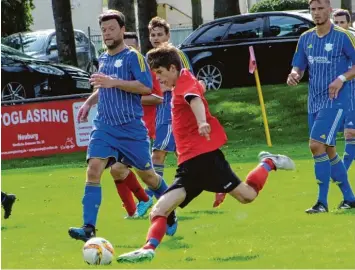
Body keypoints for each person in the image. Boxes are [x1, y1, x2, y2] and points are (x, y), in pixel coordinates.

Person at [116, 44, 296, 263]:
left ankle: (269, 162)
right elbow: (198, 90)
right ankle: (147, 250)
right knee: (159, 209)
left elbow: (195, 100)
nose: (158, 79)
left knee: (247, 196)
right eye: (155, 75)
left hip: (205, 159)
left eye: (160, 73)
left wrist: (202, 122)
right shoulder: (182, 81)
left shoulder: (183, 82)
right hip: (189, 164)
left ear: (173, 68)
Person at [68, 10, 170, 242]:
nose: (107, 34)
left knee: (149, 177)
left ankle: (168, 210)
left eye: (111, 29)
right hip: (105, 126)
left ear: (123, 30)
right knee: (94, 169)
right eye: (104, 30)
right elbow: (103, 87)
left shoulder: (133, 57)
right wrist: (88, 102)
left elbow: (146, 87)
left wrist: (114, 82)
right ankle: (88, 228)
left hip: (131, 129)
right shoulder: (103, 58)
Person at [147, 16, 227, 209]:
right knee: (187, 158)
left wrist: (163, 89)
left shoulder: (177, 55)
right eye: (152, 34)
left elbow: (187, 82)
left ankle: (151, 197)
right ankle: (221, 182)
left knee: (158, 154)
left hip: (174, 111)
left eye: (160, 34)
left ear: (168, 35)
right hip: (164, 112)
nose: (156, 38)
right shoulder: (153, 58)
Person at [287, 0, 355, 214]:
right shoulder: (305, 38)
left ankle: (321, 202)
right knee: (329, 150)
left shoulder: (343, 36)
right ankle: (350, 199)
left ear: (330, 10)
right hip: (314, 101)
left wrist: (342, 78)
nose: (316, 13)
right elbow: (299, 64)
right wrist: (295, 74)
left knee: (316, 145)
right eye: (313, 9)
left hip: (336, 100)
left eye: (320, 9)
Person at [333, 9, 355, 172]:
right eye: (336, 22)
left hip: (352, 93)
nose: (339, 26)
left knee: (350, 132)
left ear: (349, 24)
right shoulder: (330, 45)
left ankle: (343, 170)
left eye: (342, 22)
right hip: (338, 95)